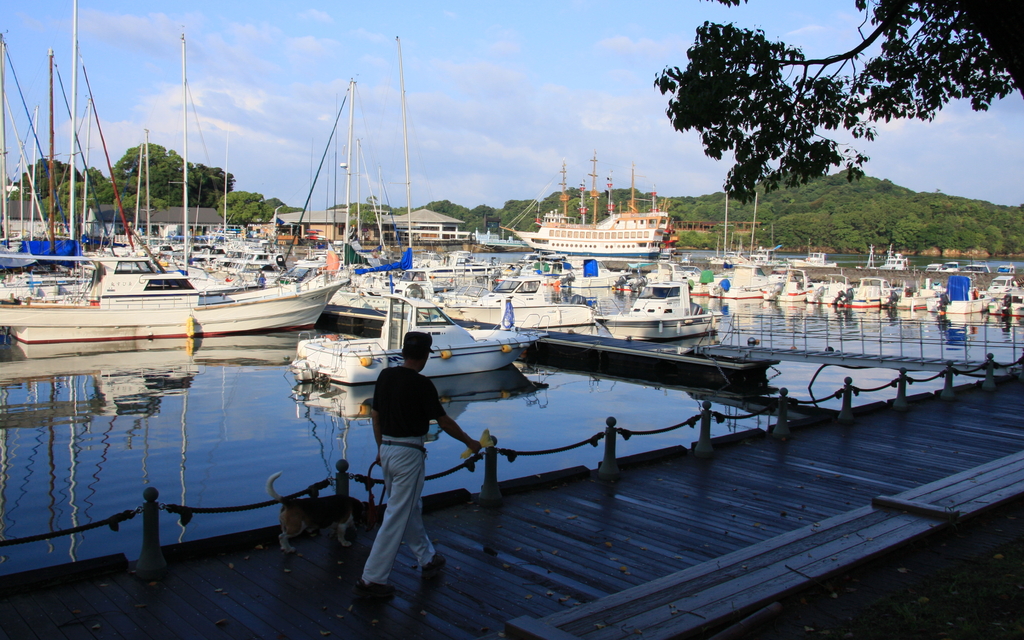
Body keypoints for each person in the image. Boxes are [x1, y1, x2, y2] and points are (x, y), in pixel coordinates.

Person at [355, 331, 482, 599]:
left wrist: (380, 449)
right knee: (397, 514)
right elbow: (444, 422)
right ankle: (372, 579)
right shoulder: (422, 384)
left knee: (407, 507)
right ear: (425, 356)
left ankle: (427, 559)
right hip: (408, 453)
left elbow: (376, 417)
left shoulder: (385, 376)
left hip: (387, 449)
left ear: (403, 353)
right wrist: (471, 442)